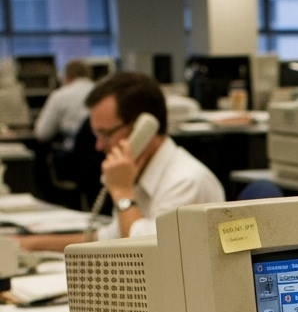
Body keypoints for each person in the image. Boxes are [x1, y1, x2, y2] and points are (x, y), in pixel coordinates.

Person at [19, 72, 224, 252]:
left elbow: (150, 256)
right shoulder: (140, 171)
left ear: (143, 128)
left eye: (105, 134)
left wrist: (122, 192)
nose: (98, 145)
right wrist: (31, 244)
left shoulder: (186, 182)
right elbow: (107, 239)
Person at [33, 59, 93, 150]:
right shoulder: (102, 92)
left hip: (72, 154)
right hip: (100, 154)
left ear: (67, 77)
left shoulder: (60, 95)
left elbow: (42, 133)